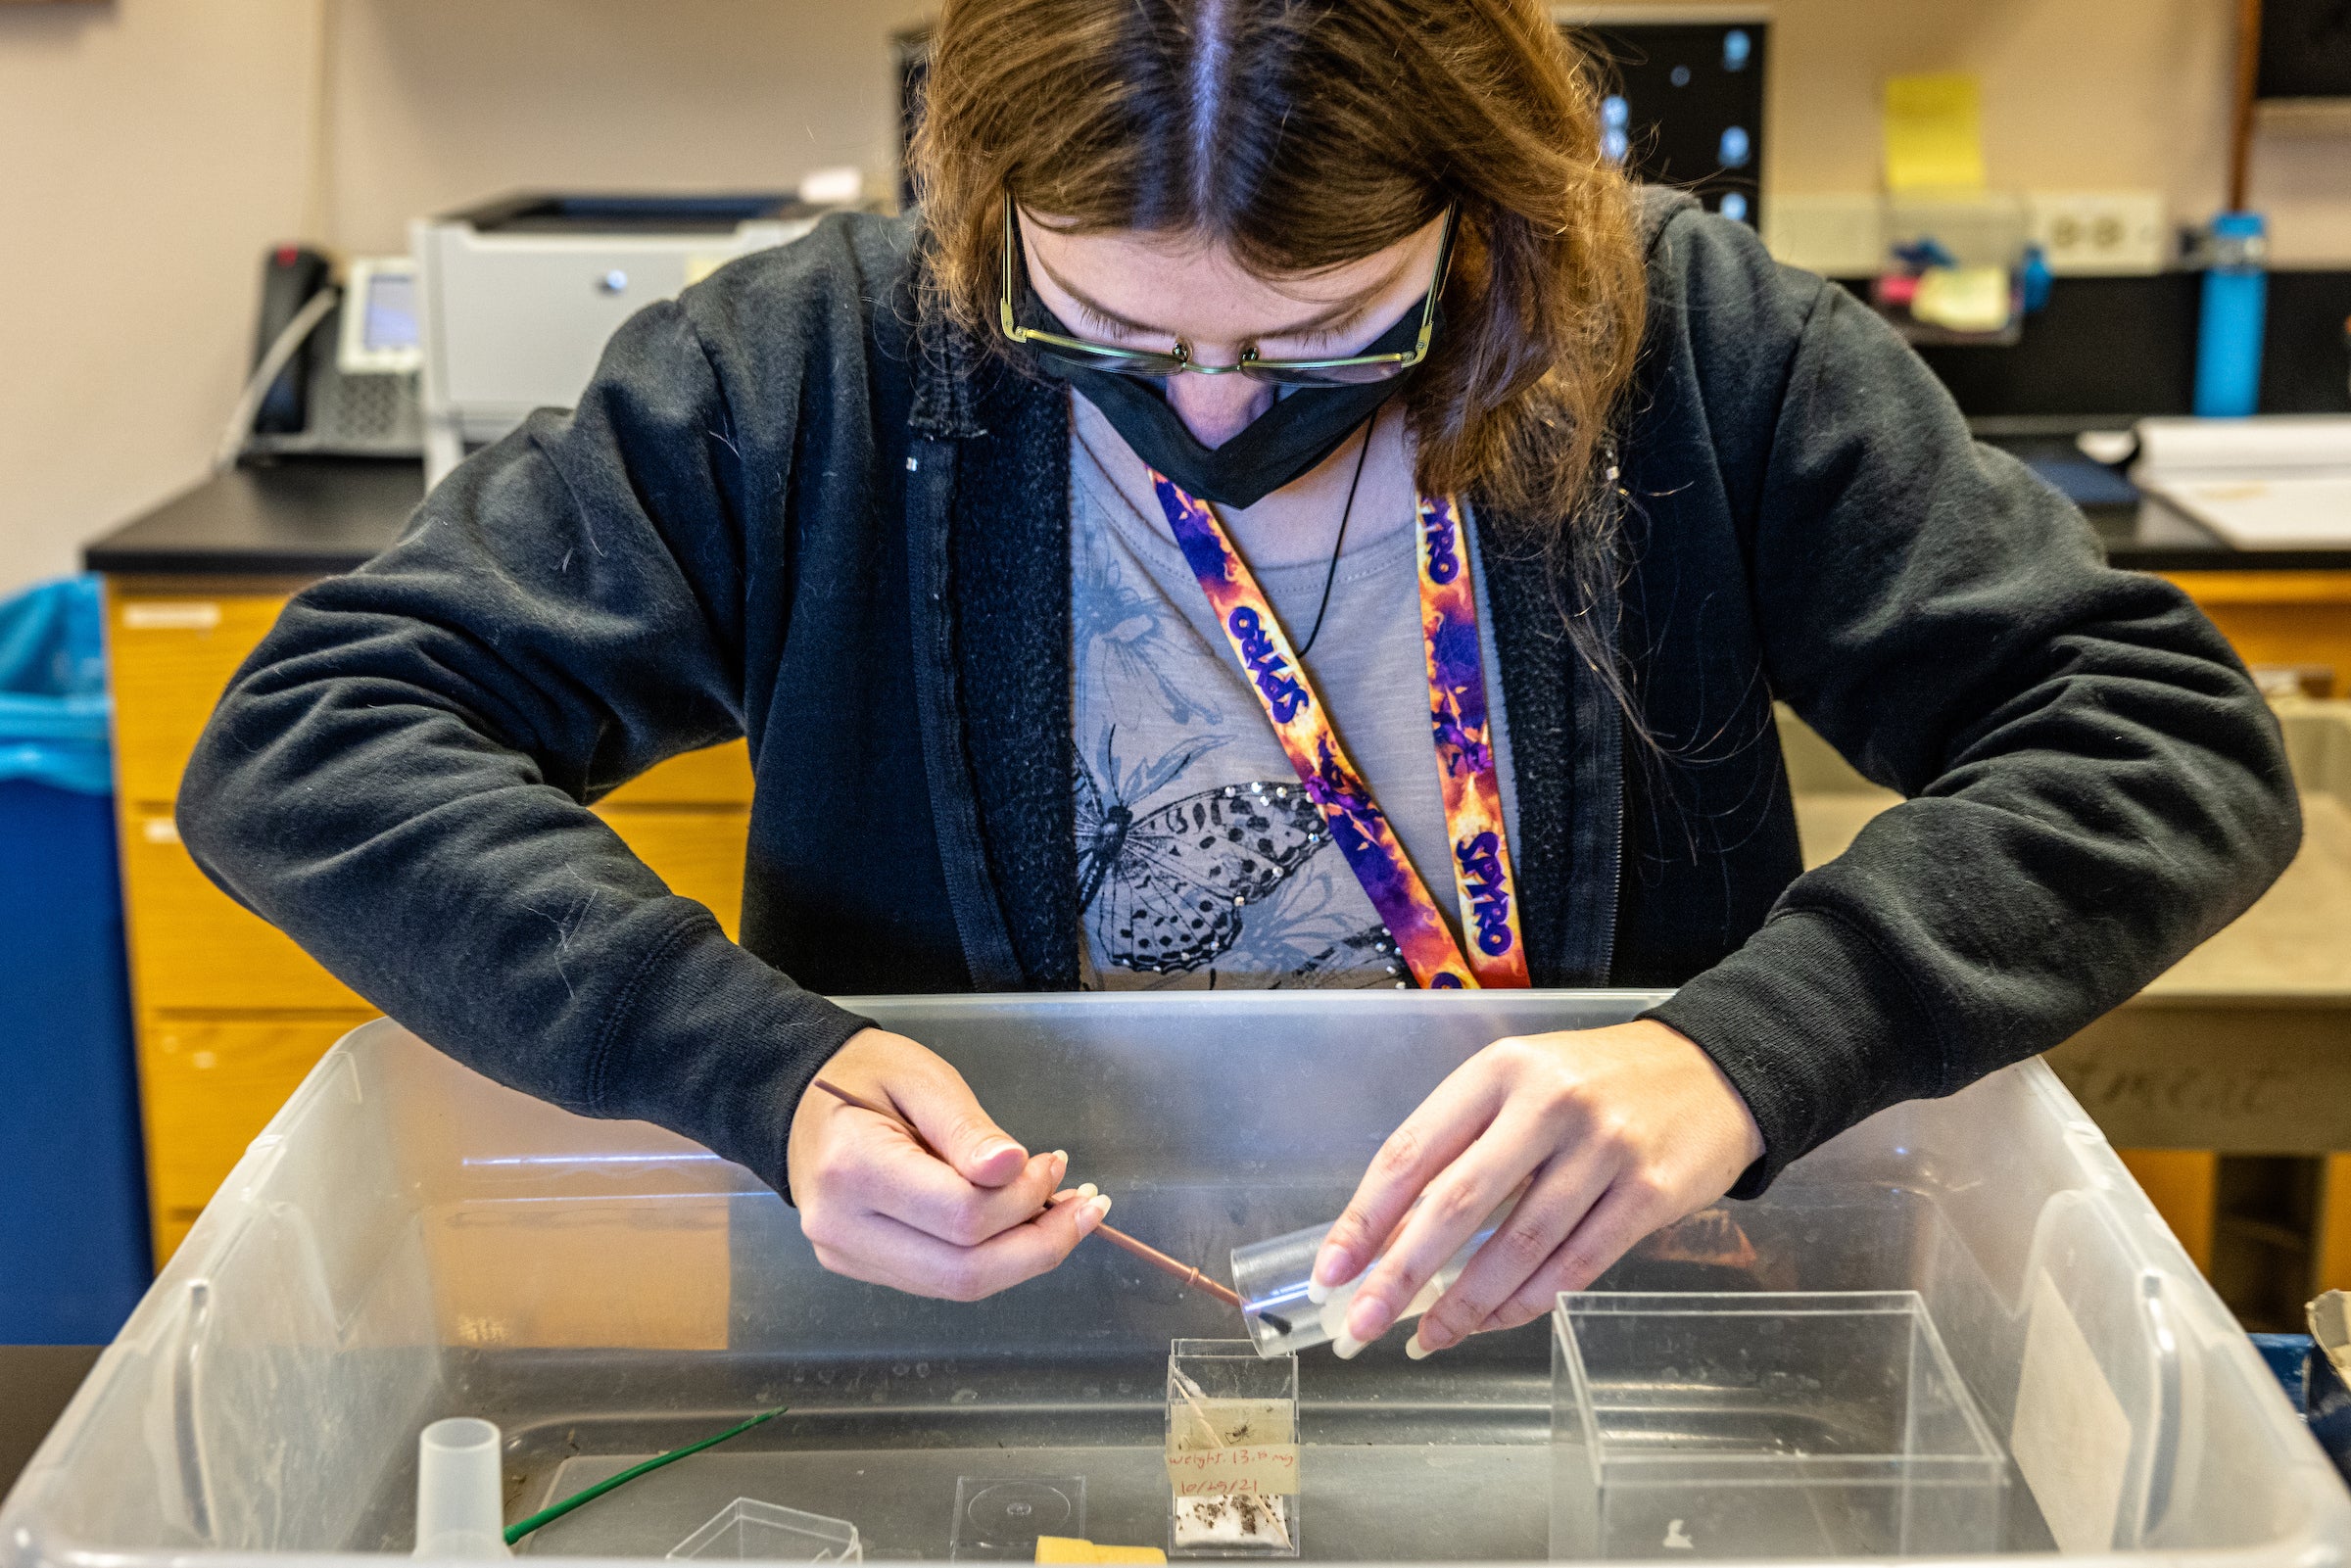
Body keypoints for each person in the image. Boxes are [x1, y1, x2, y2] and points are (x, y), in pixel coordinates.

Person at [179, 0, 2297, 1360]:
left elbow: (2157, 740)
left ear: (1497, 225)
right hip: (989, 1355)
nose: (1202, 408)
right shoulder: (813, 369)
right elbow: (320, 741)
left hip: (1604, 1343)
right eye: (1106, 330)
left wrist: (1740, 1055)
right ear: (983, 210)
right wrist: (759, 1072)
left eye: (1316, 339)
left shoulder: (1688, 343)